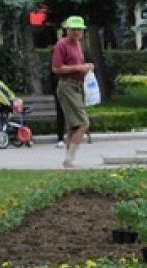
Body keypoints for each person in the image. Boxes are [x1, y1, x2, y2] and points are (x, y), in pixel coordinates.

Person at [51, 15, 94, 168]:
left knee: (74, 126)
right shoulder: (61, 45)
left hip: (77, 86)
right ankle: (70, 158)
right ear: (67, 30)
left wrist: (86, 67)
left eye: (79, 29)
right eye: (73, 29)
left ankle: (69, 160)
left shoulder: (78, 44)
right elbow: (56, 68)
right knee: (83, 123)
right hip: (67, 86)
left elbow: (77, 64)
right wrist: (79, 68)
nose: (76, 32)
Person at [47, 38, 66, 148]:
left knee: (62, 113)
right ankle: (61, 137)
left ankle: (61, 138)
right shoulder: (57, 60)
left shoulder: (55, 59)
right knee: (62, 113)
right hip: (59, 88)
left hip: (60, 87)